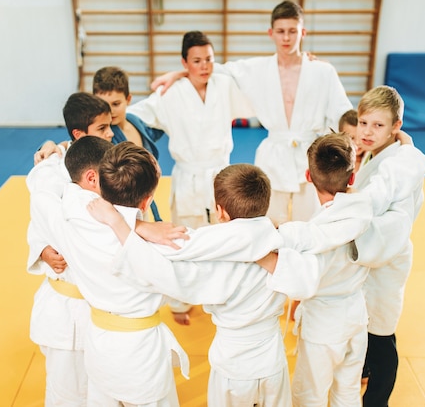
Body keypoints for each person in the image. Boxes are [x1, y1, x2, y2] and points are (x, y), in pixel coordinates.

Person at [86, 164, 293, 406]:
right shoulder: (284, 246)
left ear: (220, 211)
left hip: (233, 366)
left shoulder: (215, 262)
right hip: (272, 361)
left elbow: (161, 272)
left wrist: (121, 224)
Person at [151, 0, 353, 226]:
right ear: (271, 33)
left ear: (303, 32)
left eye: (292, 31)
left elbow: (341, 111)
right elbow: (210, 69)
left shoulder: (322, 71)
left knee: (311, 222)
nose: (286, 38)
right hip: (274, 157)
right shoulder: (257, 69)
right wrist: (178, 74)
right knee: (267, 222)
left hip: (309, 155)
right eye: (281, 31)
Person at [32, 139, 190, 406]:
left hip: (100, 345)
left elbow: (43, 190)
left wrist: (53, 152)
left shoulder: (68, 217)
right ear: (147, 200)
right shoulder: (159, 246)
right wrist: (135, 225)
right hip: (141, 353)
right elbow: (183, 282)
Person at [257, 133, 375, 406]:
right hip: (356, 317)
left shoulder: (314, 233)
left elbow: (299, 278)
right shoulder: (364, 210)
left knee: (310, 396)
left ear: (308, 176)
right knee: (347, 392)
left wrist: (259, 252)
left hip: (323, 325)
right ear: (353, 177)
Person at [25, 94, 114, 407]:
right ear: (79, 134)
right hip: (68, 299)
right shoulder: (50, 174)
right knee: (68, 390)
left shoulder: (113, 162)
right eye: (103, 128)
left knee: (106, 384)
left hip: (105, 301)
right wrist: (42, 249)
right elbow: (39, 218)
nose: (110, 133)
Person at [127, 30, 255, 229]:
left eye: (208, 59)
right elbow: (136, 113)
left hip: (220, 172)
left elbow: (255, 78)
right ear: (184, 62)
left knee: (223, 234)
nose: (204, 66)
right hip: (188, 179)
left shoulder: (224, 85)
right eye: (196, 61)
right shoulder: (170, 93)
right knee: (187, 237)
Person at [353, 85, 425, 407]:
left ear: (396, 127)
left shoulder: (400, 163)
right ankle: (364, 368)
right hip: (375, 250)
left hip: (389, 255)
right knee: (365, 323)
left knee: (382, 335)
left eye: (378, 125)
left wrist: (344, 204)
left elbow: (378, 195)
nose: (368, 132)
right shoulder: (381, 152)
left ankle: (377, 401)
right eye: (364, 122)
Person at [92, 66, 165, 221]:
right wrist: (55, 146)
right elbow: (79, 144)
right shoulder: (103, 135)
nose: (110, 111)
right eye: (104, 104)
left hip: (143, 204)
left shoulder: (135, 121)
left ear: (128, 99)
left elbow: (159, 128)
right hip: (119, 213)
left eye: (116, 103)